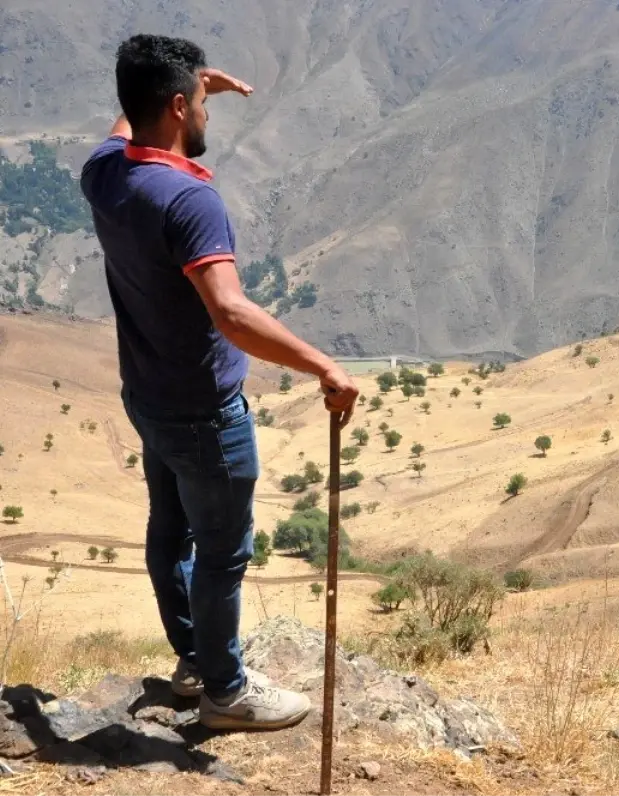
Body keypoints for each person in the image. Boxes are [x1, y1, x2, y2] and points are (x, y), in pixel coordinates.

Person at [79, 34, 360, 731]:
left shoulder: (104, 172)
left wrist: (189, 81)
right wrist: (324, 366)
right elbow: (231, 311)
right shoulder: (188, 200)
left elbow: (123, 128)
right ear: (177, 108)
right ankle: (226, 691)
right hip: (205, 412)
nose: (208, 113)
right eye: (201, 103)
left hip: (146, 397)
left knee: (168, 532)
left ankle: (194, 660)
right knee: (223, 552)